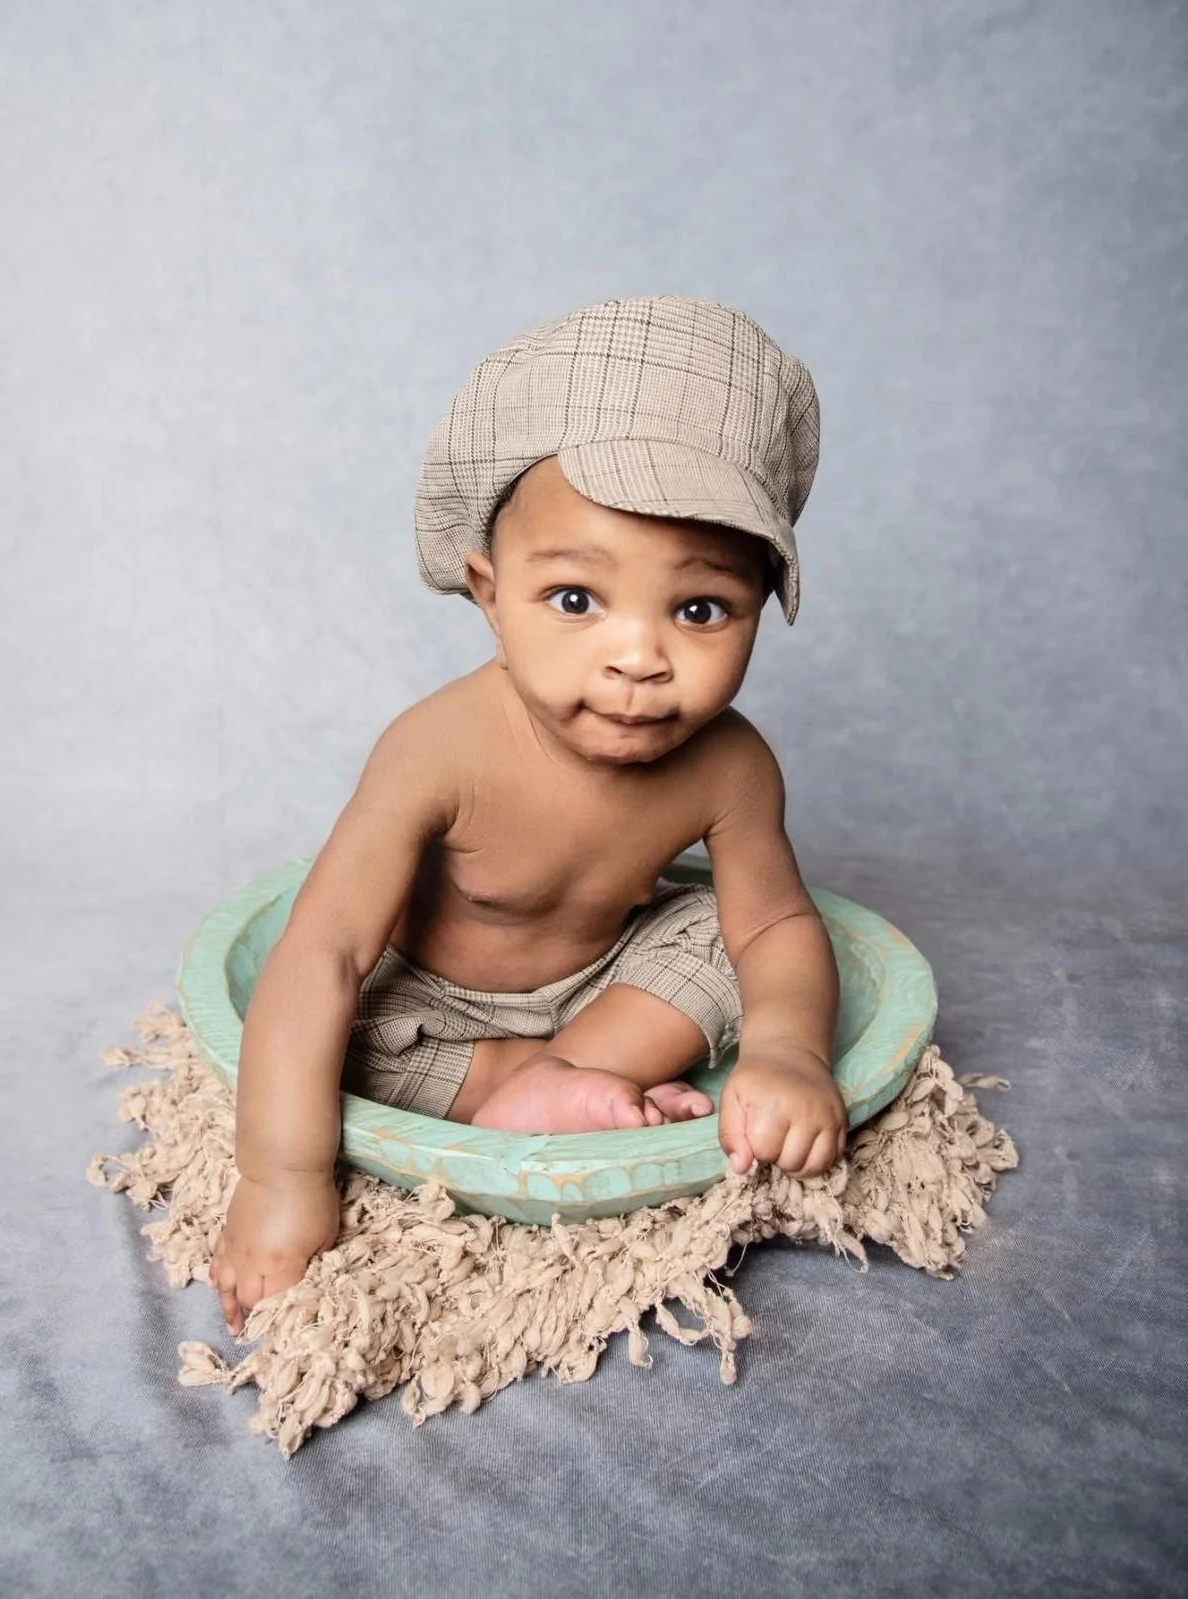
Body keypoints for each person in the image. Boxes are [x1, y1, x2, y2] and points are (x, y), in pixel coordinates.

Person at [210, 295, 847, 1333]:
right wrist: (280, 1178)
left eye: (698, 610)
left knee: (749, 938)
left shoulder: (728, 762)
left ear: (757, 607)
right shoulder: (437, 748)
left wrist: (785, 1050)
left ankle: (552, 1081)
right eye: (574, 600)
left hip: (604, 985)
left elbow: (767, 925)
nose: (638, 656)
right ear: (486, 591)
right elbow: (323, 947)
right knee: (329, 1035)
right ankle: (530, 1084)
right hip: (430, 1012)